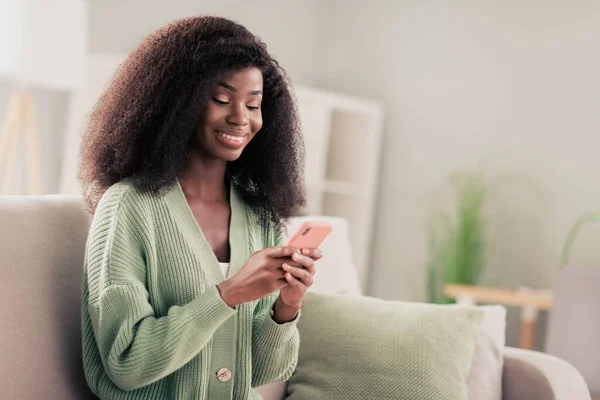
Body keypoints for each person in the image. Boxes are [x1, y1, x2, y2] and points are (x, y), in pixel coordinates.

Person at [78, 15, 321, 400]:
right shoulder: (129, 206)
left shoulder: (259, 215)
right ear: (178, 104)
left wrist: (286, 307)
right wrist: (228, 294)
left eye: (253, 104)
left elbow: (263, 372)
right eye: (221, 99)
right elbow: (126, 362)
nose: (241, 117)